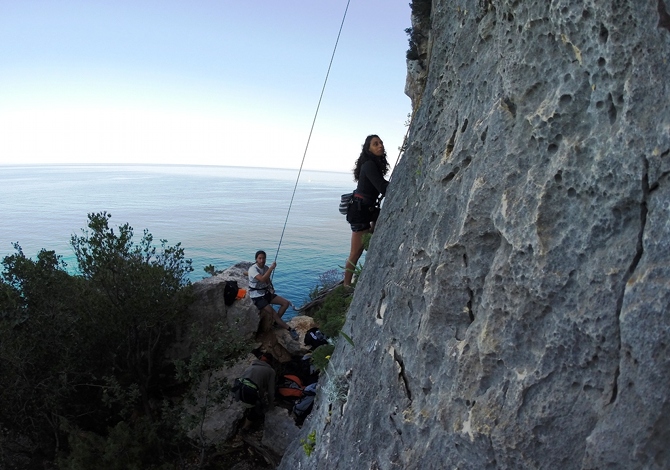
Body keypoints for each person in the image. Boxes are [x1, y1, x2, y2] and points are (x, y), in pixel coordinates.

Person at [343, 134, 390, 286]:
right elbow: (382, 187)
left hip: (367, 209)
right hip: (359, 211)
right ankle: (346, 285)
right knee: (355, 252)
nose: (380, 146)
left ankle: (369, 242)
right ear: (368, 149)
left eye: (381, 143)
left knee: (372, 236)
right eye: (375, 144)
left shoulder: (373, 164)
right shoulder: (369, 165)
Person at [248, 250, 299, 339]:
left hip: (265, 292)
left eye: (263, 258)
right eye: (260, 258)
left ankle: (276, 323)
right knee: (273, 313)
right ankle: (289, 329)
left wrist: (270, 287)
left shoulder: (265, 268)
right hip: (256, 296)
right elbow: (262, 279)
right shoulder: (253, 269)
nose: (262, 260)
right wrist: (271, 269)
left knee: (285, 303)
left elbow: (267, 280)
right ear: (256, 259)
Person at [234, 353, 276, 432]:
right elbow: (271, 391)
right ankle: (245, 428)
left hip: (238, 390)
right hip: (249, 392)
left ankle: (248, 411)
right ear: (270, 362)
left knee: (252, 401)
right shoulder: (271, 371)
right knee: (257, 408)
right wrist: (271, 406)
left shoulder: (252, 366)